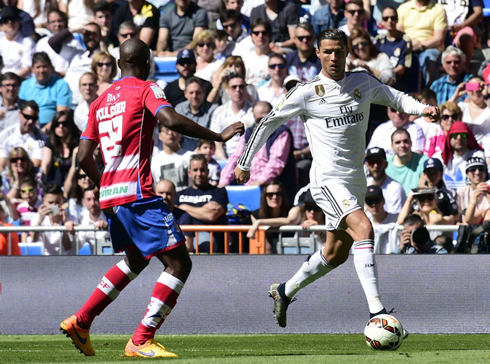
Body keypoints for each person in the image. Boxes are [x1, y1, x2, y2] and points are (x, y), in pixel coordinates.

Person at [234, 28, 439, 328]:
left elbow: (395, 98)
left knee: (336, 252)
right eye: (327, 51)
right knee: (363, 227)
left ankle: (284, 291)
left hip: (356, 179)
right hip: (326, 180)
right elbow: (267, 122)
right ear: (317, 53)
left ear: (346, 53)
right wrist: (245, 161)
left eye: (338, 51)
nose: (333, 57)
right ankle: (376, 313)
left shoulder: (362, 82)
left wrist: (423, 109)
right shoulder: (305, 92)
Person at [61, 38, 243, 358]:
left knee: (135, 260)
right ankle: (141, 338)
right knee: (179, 264)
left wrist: (105, 182)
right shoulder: (147, 89)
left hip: (112, 196)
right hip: (139, 193)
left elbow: (84, 155)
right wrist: (218, 135)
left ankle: (82, 320)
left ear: (119, 64)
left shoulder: (99, 102)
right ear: (147, 64)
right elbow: (170, 120)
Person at [220, 101, 297, 202]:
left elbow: (276, 162)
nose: (263, 123)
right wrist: (223, 181)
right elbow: (236, 158)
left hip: (272, 189)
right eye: (259, 119)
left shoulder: (281, 132)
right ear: (254, 117)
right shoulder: (248, 132)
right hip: (249, 186)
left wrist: (260, 181)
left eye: (266, 118)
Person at [175, 154, 229, 253]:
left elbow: (211, 215)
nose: (199, 174)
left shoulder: (219, 191)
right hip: (184, 236)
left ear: (208, 171)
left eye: (202, 170)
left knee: (205, 243)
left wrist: (184, 207)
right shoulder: (179, 195)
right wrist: (202, 210)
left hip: (211, 240)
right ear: (189, 173)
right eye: (195, 170)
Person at [397, 0, 447, 87]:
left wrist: (420, 45)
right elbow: (398, 34)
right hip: (408, 46)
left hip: (430, 48)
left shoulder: (438, 9)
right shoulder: (403, 8)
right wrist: (410, 43)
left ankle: (429, 93)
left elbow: (439, 39)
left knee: (429, 58)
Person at [19, 52, 72, 128]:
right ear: (32, 69)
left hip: (52, 128)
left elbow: (62, 115)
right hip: (28, 126)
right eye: (38, 67)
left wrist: (45, 130)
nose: (42, 70)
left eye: (45, 66)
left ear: (51, 68)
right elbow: (20, 110)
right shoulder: (25, 85)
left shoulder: (61, 85)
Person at [209, 73, 255, 160]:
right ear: (227, 91)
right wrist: (225, 162)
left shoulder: (253, 112)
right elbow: (217, 143)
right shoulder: (219, 112)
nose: (238, 90)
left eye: (241, 87)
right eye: (234, 87)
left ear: (246, 90)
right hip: (226, 158)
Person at [434, 121, 483, 192]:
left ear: (468, 137)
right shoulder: (439, 157)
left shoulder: (477, 156)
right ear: (449, 138)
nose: (459, 138)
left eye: (463, 135)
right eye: (455, 135)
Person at [374, 6, 413, 93]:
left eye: (393, 18)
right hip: (379, 83)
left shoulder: (405, 40)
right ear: (382, 21)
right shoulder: (378, 40)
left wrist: (385, 75)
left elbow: (401, 69)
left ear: (397, 20)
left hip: (398, 85)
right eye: (386, 18)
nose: (389, 21)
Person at [34, 9, 84, 77]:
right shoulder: (42, 43)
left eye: (60, 21)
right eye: (53, 22)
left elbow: (78, 64)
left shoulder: (74, 42)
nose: (57, 24)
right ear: (48, 25)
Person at [174, 77, 218, 152]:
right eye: (191, 93)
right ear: (185, 94)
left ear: (203, 93)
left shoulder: (213, 110)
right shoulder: (179, 109)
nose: (194, 96)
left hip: (206, 148)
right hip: (183, 147)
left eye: (198, 92)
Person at [31, 183, 76, 255]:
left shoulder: (71, 218)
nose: (55, 206)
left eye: (58, 202)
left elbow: (67, 246)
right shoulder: (37, 217)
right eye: (50, 202)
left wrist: (65, 223)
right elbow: (33, 240)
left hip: (67, 259)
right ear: (44, 201)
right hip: (47, 260)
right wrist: (40, 220)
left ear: (63, 200)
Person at [0, 100, 45, 172]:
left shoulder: (41, 140)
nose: (30, 121)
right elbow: (1, 165)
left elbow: (35, 166)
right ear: (20, 114)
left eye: (34, 118)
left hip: (29, 179)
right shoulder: (6, 135)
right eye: (27, 117)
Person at [151, 123, 195, 192]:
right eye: (166, 130)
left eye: (174, 130)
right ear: (159, 136)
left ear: (179, 134)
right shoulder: (154, 162)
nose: (170, 133)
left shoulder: (191, 157)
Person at [41, 111, 80, 186]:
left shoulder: (77, 141)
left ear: (70, 125)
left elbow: (74, 167)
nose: (61, 126)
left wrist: (66, 189)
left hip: (74, 183)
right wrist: (42, 185)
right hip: (54, 183)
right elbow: (45, 166)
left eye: (65, 124)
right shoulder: (50, 141)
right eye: (57, 124)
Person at [385, 129, 428, 195]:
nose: (402, 145)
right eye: (398, 142)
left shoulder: (424, 162)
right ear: (392, 146)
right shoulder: (385, 165)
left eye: (405, 141)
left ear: (411, 143)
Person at [364, 147, 406, 214]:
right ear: (367, 165)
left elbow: (394, 219)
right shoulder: (363, 185)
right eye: (372, 162)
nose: (375, 166)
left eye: (379, 162)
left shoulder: (395, 188)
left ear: (386, 164)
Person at [452, 76, 490, 144]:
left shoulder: (488, 109)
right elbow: (440, 115)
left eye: (478, 87)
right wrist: (456, 96)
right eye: (471, 87)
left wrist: (486, 96)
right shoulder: (462, 107)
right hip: (462, 150)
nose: (475, 91)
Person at [0, 6, 36, 79]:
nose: (10, 23)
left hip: (21, 80)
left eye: (13, 19)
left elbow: (27, 67)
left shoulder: (27, 42)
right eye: (6, 20)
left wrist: (11, 80)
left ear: (19, 22)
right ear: (1, 26)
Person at [364, 185, 398, 254]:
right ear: (365, 205)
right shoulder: (364, 224)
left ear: (383, 201)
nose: (374, 205)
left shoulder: (396, 220)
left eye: (377, 200)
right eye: (369, 201)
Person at [456, 157, 490, 223]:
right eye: (473, 169)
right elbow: (458, 219)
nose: (477, 172)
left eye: (481, 169)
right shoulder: (461, 192)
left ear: (486, 173)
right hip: (467, 231)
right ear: (467, 174)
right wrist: (475, 196)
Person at [77, 186, 110, 254]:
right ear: (84, 202)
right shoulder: (81, 220)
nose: (93, 203)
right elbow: (78, 245)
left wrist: (109, 225)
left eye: (95, 199)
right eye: (88, 199)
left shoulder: (111, 217)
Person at [14, 176, 42, 243]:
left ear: (37, 191)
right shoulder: (20, 208)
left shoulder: (43, 207)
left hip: (41, 241)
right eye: (24, 191)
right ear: (21, 194)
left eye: (31, 190)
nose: (27, 193)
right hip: (27, 243)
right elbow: (23, 227)